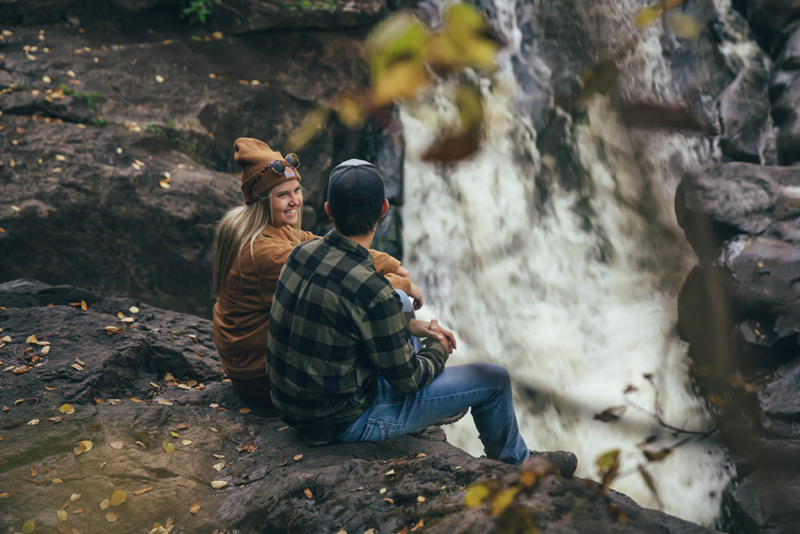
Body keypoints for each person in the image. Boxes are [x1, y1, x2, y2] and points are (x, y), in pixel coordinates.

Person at [267, 159, 577, 473]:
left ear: (329, 210)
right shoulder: (373, 291)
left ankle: (436, 409)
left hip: (292, 408)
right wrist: (438, 347)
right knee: (494, 380)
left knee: (401, 302)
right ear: (384, 210)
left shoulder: (300, 254)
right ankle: (518, 463)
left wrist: (412, 326)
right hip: (340, 423)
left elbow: (342, 320)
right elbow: (410, 380)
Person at [212, 138, 422, 405]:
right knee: (392, 303)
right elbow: (343, 281)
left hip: (254, 368)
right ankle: (410, 392)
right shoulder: (265, 252)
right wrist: (403, 284)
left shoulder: (271, 230)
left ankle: (405, 388)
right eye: (283, 195)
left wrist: (393, 266)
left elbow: (326, 246)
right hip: (263, 380)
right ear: (262, 201)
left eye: (296, 191)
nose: (295, 201)